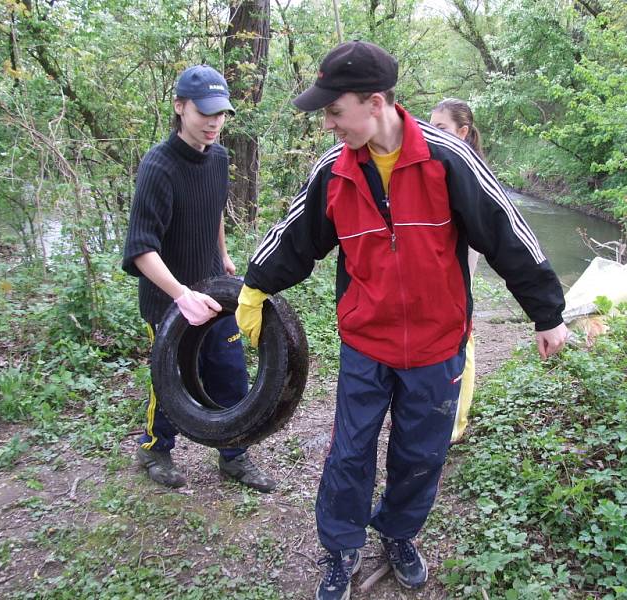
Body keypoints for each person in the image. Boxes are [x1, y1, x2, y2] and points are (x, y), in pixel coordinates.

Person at [234, 41, 567, 599]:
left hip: (438, 346)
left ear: (376, 102)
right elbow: (294, 237)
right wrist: (254, 285)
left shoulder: (447, 159)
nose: (329, 124)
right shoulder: (333, 173)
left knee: (420, 453)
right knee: (350, 452)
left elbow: (507, 233)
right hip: (367, 343)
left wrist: (547, 312)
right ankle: (340, 549)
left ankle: (398, 533)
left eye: (335, 111)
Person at [122, 64, 275, 492]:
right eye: (204, 112)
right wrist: (179, 295)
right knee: (171, 379)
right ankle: (154, 446)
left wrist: (223, 257)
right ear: (179, 107)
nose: (213, 122)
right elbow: (140, 248)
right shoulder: (159, 165)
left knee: (229, 374)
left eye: (221, 113)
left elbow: (214, 213)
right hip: (168, 300)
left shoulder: (220, 158)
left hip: (212, 291)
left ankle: (234, 455)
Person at [430, 98, 484, 445]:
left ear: (463, 132)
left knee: (462, 342)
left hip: (459, 270)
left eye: (442, 129)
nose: (432, 136)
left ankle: (454, 427)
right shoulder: (440, 165)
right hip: (438, 273)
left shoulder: (473, 173)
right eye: (430, 127)